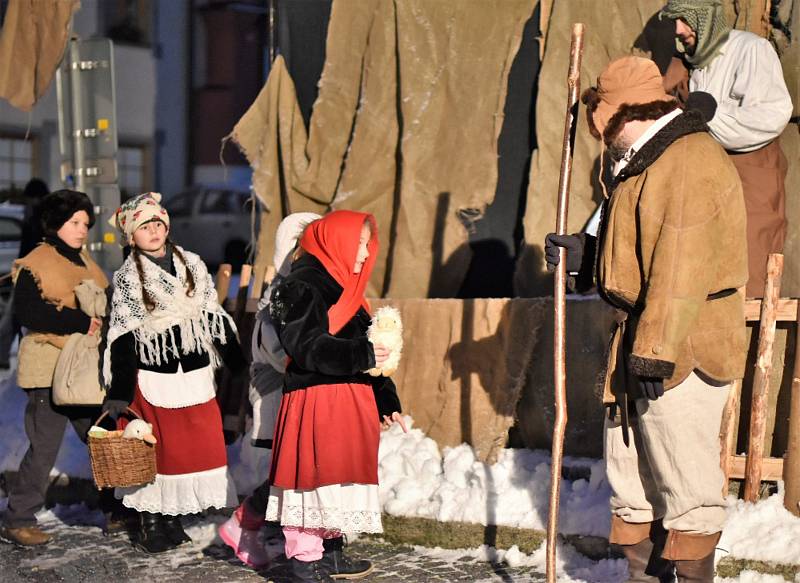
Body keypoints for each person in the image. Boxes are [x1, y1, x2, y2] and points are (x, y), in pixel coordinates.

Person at [546, 57, 748, 582]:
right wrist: (587, 257)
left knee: (686, 488)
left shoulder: (687, 160)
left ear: (620, 114)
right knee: (635, 483)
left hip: (680, 347)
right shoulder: (644, 161)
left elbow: (681, 265)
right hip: (645, 341)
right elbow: (641, 248)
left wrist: (654, 353)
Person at [102, 192, 245, 554]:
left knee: (191, 452)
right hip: (154, 376)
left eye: (157, 224)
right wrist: (118, 390)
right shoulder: (128, 279)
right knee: (160, 453)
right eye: (144, 226)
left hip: (194, 374)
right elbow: (123, 336)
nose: (153, 231)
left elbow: (211, 314)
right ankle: (152, 522)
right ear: (131, 236)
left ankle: (173, 516)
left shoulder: (192, 264)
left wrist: (236, 359)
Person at [266, 210, 405, 583]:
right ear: (336, 242)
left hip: (350, 399)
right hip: (318, 399)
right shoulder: (299, 286)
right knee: (314, 478)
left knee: (338, 479)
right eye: (358, 244)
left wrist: (387, 399)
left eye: (365, 245)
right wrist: (361, 355)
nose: (364, 254)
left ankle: (330, 552)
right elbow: (306, 345)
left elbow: (368, 348)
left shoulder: (350, 290)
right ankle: (305, 561)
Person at [660, 0, 793, 297]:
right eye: (675, 22)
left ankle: (748, 338)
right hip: (703, 171)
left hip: (748, 169)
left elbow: (773, 114)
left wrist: (712, 117)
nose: (679, 30)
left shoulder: (750, 49)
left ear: (707, 17)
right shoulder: (690, 62)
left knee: (750, 259)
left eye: (686, 20)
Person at [0, 190, 110, 546]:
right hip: (48, 368)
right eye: (74, 222)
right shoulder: (36, 261)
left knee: (99, 436)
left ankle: (118, 507)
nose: (82, 230)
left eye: (85, 223)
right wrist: (80, 322)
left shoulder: (84, 260)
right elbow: (29, 313)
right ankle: (17, 518)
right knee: (45, 445)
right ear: (55, 223)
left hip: (80, 369)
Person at [219, 211, 321, 568]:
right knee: (289, 472)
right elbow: (277, 349)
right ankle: (247, 524)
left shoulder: (306, 289)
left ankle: (261, 527)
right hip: (281, 394)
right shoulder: (282, 292)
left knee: (291, 471)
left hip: (298, 394)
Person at [0, 178, 50, 369]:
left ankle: (8, 355)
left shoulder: (37, 217)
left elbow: (29, 247)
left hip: (30, 274)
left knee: (15, 316)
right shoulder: (39, 216)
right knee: (19, 317)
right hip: (29, 272)